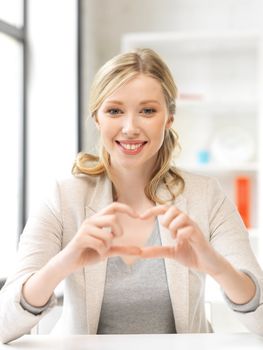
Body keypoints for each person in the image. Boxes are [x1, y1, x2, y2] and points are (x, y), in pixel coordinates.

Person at [0, 48, 263, 344]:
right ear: (97, 118)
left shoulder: (206, 196)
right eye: (114, 111)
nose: (130, 128)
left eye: (148, 111)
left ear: (169, 118)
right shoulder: (62, 197)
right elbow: (3, 323)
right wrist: (65, 261)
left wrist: (215, 265)